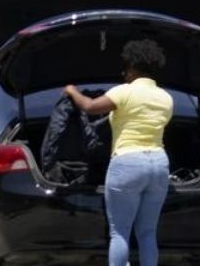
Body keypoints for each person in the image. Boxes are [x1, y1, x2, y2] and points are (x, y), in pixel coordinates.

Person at [65, 39, 173, 266]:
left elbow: (89, 106)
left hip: (128, 162)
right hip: (159, 164)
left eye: (126, 68)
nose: (124, 73)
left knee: (120, 232)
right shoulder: (166, 98)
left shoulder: (124, 92)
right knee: (147, 232)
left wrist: (72, 91)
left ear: (132, 67)